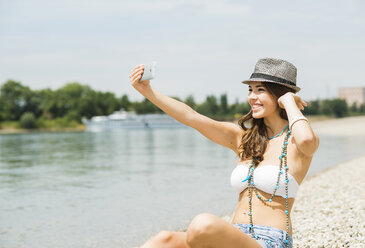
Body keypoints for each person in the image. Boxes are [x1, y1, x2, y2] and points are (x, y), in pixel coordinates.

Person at [129, 58, 319, 248]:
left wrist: (289, 102)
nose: (252, 97)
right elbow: (192, 117)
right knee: (163, 241)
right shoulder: (243, 139)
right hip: (236, 236)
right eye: (250, 90)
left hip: (272, 241)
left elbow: (307, 141)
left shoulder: (295, 141)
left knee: (203, 225)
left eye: (260, 90)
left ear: (280, 95)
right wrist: (148, 92)